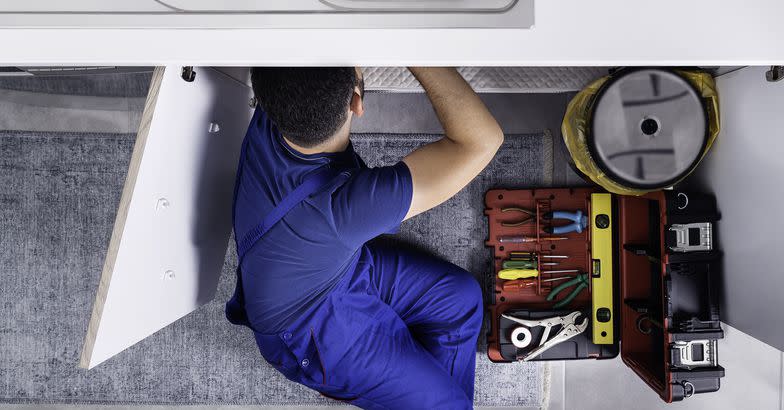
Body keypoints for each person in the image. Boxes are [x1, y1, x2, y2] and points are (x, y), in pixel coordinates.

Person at [227, 67, 504, 409]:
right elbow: (482, 140)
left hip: (332, 271)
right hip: (309, 331)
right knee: (450, 406)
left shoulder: (276, 106)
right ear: (357, 102)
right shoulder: (347, 207)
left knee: (459, 299)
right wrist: (414, 47)